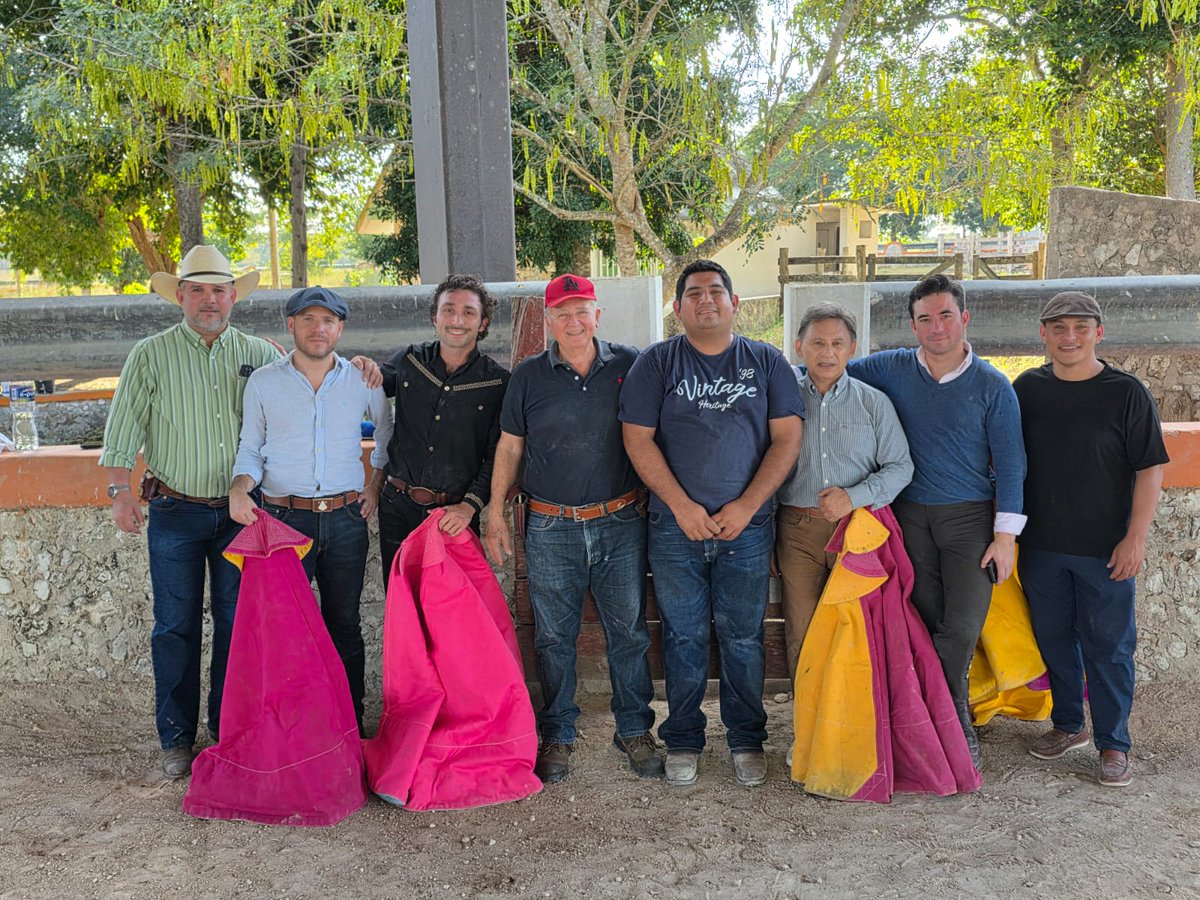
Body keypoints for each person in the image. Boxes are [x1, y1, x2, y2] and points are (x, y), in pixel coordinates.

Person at [620, 259, 804, 788]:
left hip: (747, 528)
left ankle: (747, 738)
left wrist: (746, 505)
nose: (706, 300)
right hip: (675, 527)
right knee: (682, 636)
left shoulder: (766, 363)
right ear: (677, 308)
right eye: (694, 294)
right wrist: (680, 505)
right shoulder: (656, 364)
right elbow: (637, 439)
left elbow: (787, 438)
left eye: (716, 292)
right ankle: (683, 737)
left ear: (734, 304)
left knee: (743, 637)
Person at [100, 245, 278, 779]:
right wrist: (120, 492)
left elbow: (301, 400)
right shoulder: (150, 355)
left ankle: (228, 729)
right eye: (197, 290)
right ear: (179, 296)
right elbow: (124, 427)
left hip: (240, 513)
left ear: (233, 297)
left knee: (235, 623)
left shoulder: (261, 355)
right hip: (175, 509)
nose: (209, 299)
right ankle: (176, 737)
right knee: (173, 626)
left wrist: (359, 366)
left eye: (219, 289)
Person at [484, 273, 661, 784]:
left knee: (627, 632)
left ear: (597, 315)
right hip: (550, 524)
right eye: (562, 313)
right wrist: (495, 509)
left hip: (621, 520)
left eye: (582, 310)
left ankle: (633, 729)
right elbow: (510, 446)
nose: (574, 321)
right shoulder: (528, 376)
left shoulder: (631, 365)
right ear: (548, 320)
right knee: (554, 636)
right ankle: (558, 733)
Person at [848, 273, 1027, 766]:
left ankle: (954, 720)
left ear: (964, 318)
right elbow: (829, 369)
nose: (936, 327)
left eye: (945, 315)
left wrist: (1005, 537)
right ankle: (933, 721)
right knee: (925, 621)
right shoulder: (889, 368)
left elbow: (1011, 462)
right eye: (924, 318)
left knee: (962, 626)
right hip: (908, 517)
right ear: (912, 325)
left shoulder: (993, 386)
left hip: (970, 519)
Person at [1013, 291, 1168, 787]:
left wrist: (1135, 539)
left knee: (1110, 647)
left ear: (1099, 333)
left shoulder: (1126, 392)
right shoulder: (1026, 389)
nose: (1069, 337)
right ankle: (1068, 724)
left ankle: (1114, 743)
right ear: (1043, 334)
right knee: (1055, 640)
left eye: (1081, 327)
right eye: (1059, 328)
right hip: (1040, 546)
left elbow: (1150, 471)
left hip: (1105, 550)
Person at [228, 286, 394, 732]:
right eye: (307, 320)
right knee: (285, 631)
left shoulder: (363, 379)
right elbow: (250, 449)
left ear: (340, 328)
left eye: (327, 321)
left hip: (345, 520)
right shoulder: (264, 382)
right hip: (284, 520)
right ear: (291, 326)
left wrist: (374, 486)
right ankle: (293, 728)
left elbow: (386, 436)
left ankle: (349, 724)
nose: (317, 329)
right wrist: (239, 489)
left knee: (345, 625)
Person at [775, 303, 913, 680]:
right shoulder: (782, 400)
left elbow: (901, 467)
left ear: (853, 348)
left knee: (856, 629)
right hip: (796, 532)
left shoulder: (873, 403)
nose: (827, 352)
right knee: (801, 630)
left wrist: (855, 496)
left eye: (838, 343)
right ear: (799, 346)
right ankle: (809, 727)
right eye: (818, 343)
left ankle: (852, 727)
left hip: (856, 531)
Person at [374, 274, 509, 585]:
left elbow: (498, 455)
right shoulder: (409, 360)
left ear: (483, 323)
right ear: (434, 317)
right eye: (448, 310)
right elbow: (364, 389)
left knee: (450, 616)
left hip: (453, 518)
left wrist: (469, 506)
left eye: (469, 312)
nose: (457, 319)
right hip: (397, 508)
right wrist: (359, 365)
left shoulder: (498, 382)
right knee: (403, 608)